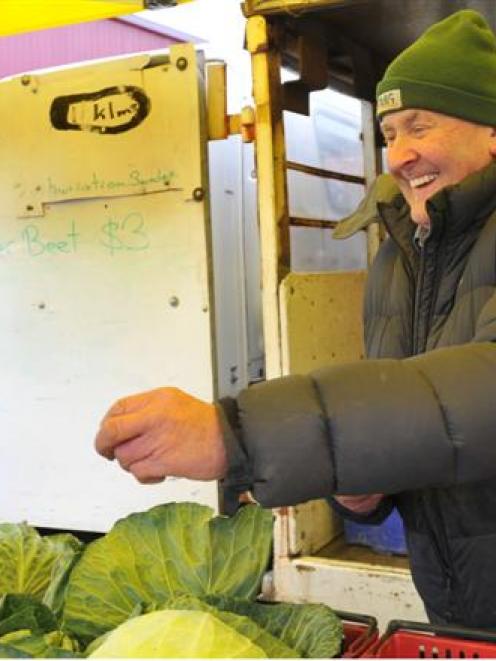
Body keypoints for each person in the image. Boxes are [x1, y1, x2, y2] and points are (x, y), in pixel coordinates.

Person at [95, 10, 496, 629]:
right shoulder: (399, 255)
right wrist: (363, 486)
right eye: (389, 132)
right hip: (457, 602)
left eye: (421, 125)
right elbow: (411, 416)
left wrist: (237, 435)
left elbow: (474, 396)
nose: (399, 155)